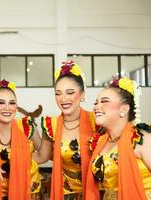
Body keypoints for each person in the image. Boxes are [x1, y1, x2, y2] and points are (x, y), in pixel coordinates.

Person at [86, 77, 151, 200]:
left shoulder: (144, 140)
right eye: (96, 103)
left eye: (104, 101)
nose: (96, 107)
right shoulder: (100, 143)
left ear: (124, 109)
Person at [35, 60, 97, 200]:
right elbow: (41, 157)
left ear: (82, 94)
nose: (63, 99)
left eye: (70, 92)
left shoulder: (97, 122)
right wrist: (10, 156)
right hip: (65, 193)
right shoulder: (51, 125)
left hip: (96, 191)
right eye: (58, 93)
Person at [0, 79, 42, 200]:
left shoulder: (27, 127)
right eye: (1, 102)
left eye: (12, 103)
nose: (7, 108)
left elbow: (44, 155)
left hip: (29, 192)